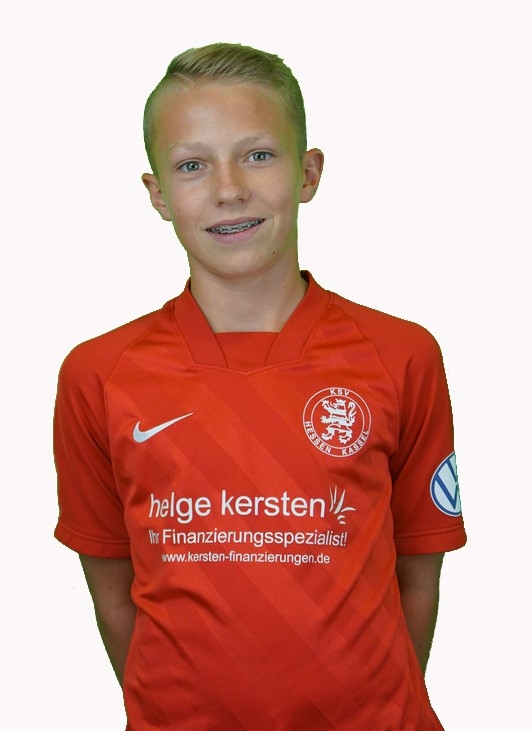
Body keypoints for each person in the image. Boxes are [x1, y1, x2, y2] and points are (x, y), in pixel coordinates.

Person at [53, 42, 466, 730]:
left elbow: (419, 577)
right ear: (157, 194)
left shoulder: (401, 355)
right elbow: (114, 595)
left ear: (308, 173)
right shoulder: (98, 374)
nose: (228, 189)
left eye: (259, 154)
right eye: (192, 164)